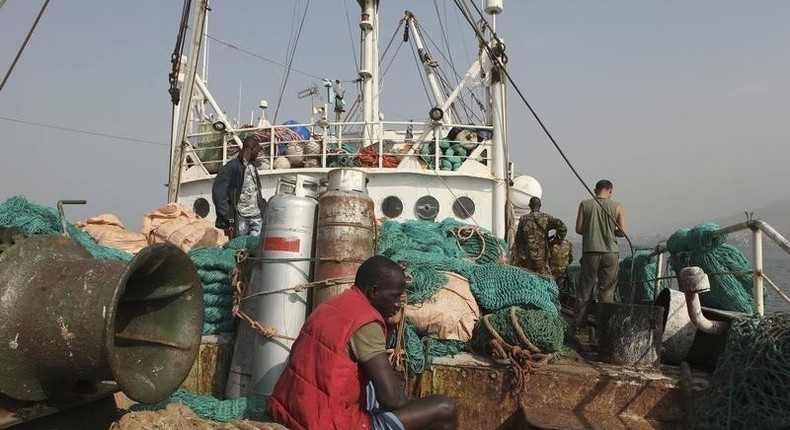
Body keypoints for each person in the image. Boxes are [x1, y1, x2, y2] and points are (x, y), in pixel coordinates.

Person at [267, 255, 459, 430]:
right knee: (444, 408)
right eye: (394, 296)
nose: (399, 303)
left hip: (291, 412)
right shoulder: (366, 323)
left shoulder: (331, 305)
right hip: (327, 423)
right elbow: (392, 399)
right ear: (374, 292)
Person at [573, 179, 628, 329]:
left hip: (590, 252)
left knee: (585, 290)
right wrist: (611, 231)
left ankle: (578, 326)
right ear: (610, 191)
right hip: (611, 253)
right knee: (607, 292)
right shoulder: (617, 206)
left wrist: (592, 230)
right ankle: (604, 329)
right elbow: (623, 232)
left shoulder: (585, 204)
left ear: (595, 189)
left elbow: (578, 229)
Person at [211, 136, 267, 238]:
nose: (258, 154)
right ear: (252, 149)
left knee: (256, 248)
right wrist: (228, 215)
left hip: (257, 216)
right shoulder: (230, 168)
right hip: (240, 218)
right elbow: (218, 194)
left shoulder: (253, 166)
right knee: (239, 249)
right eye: (257, 151)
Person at [512, 196, 567, 275]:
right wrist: (555, 241)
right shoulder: (546, 218)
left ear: (529, 205)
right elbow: (562, 227)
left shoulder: (524, 219)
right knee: (543, 277)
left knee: (529, 277)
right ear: (540, 205)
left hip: (528, 256)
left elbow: (518, 240)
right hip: (542, 255)